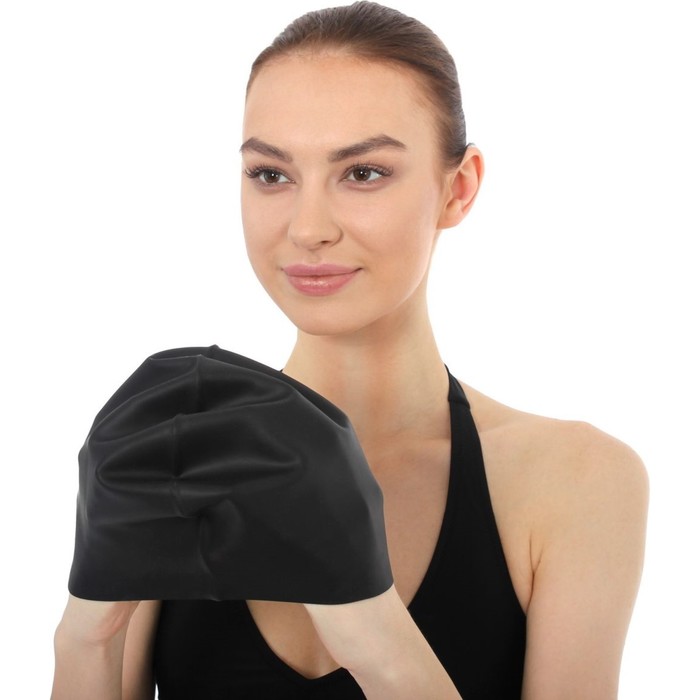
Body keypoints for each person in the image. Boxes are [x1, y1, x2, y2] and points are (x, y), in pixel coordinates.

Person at [51, 2, 649, 698]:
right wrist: (84, 634)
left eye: (363, 173)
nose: (308, 228)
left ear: (457, 189)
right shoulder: (182, 455)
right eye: (271, 174)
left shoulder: (576, 481)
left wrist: (370, 627)